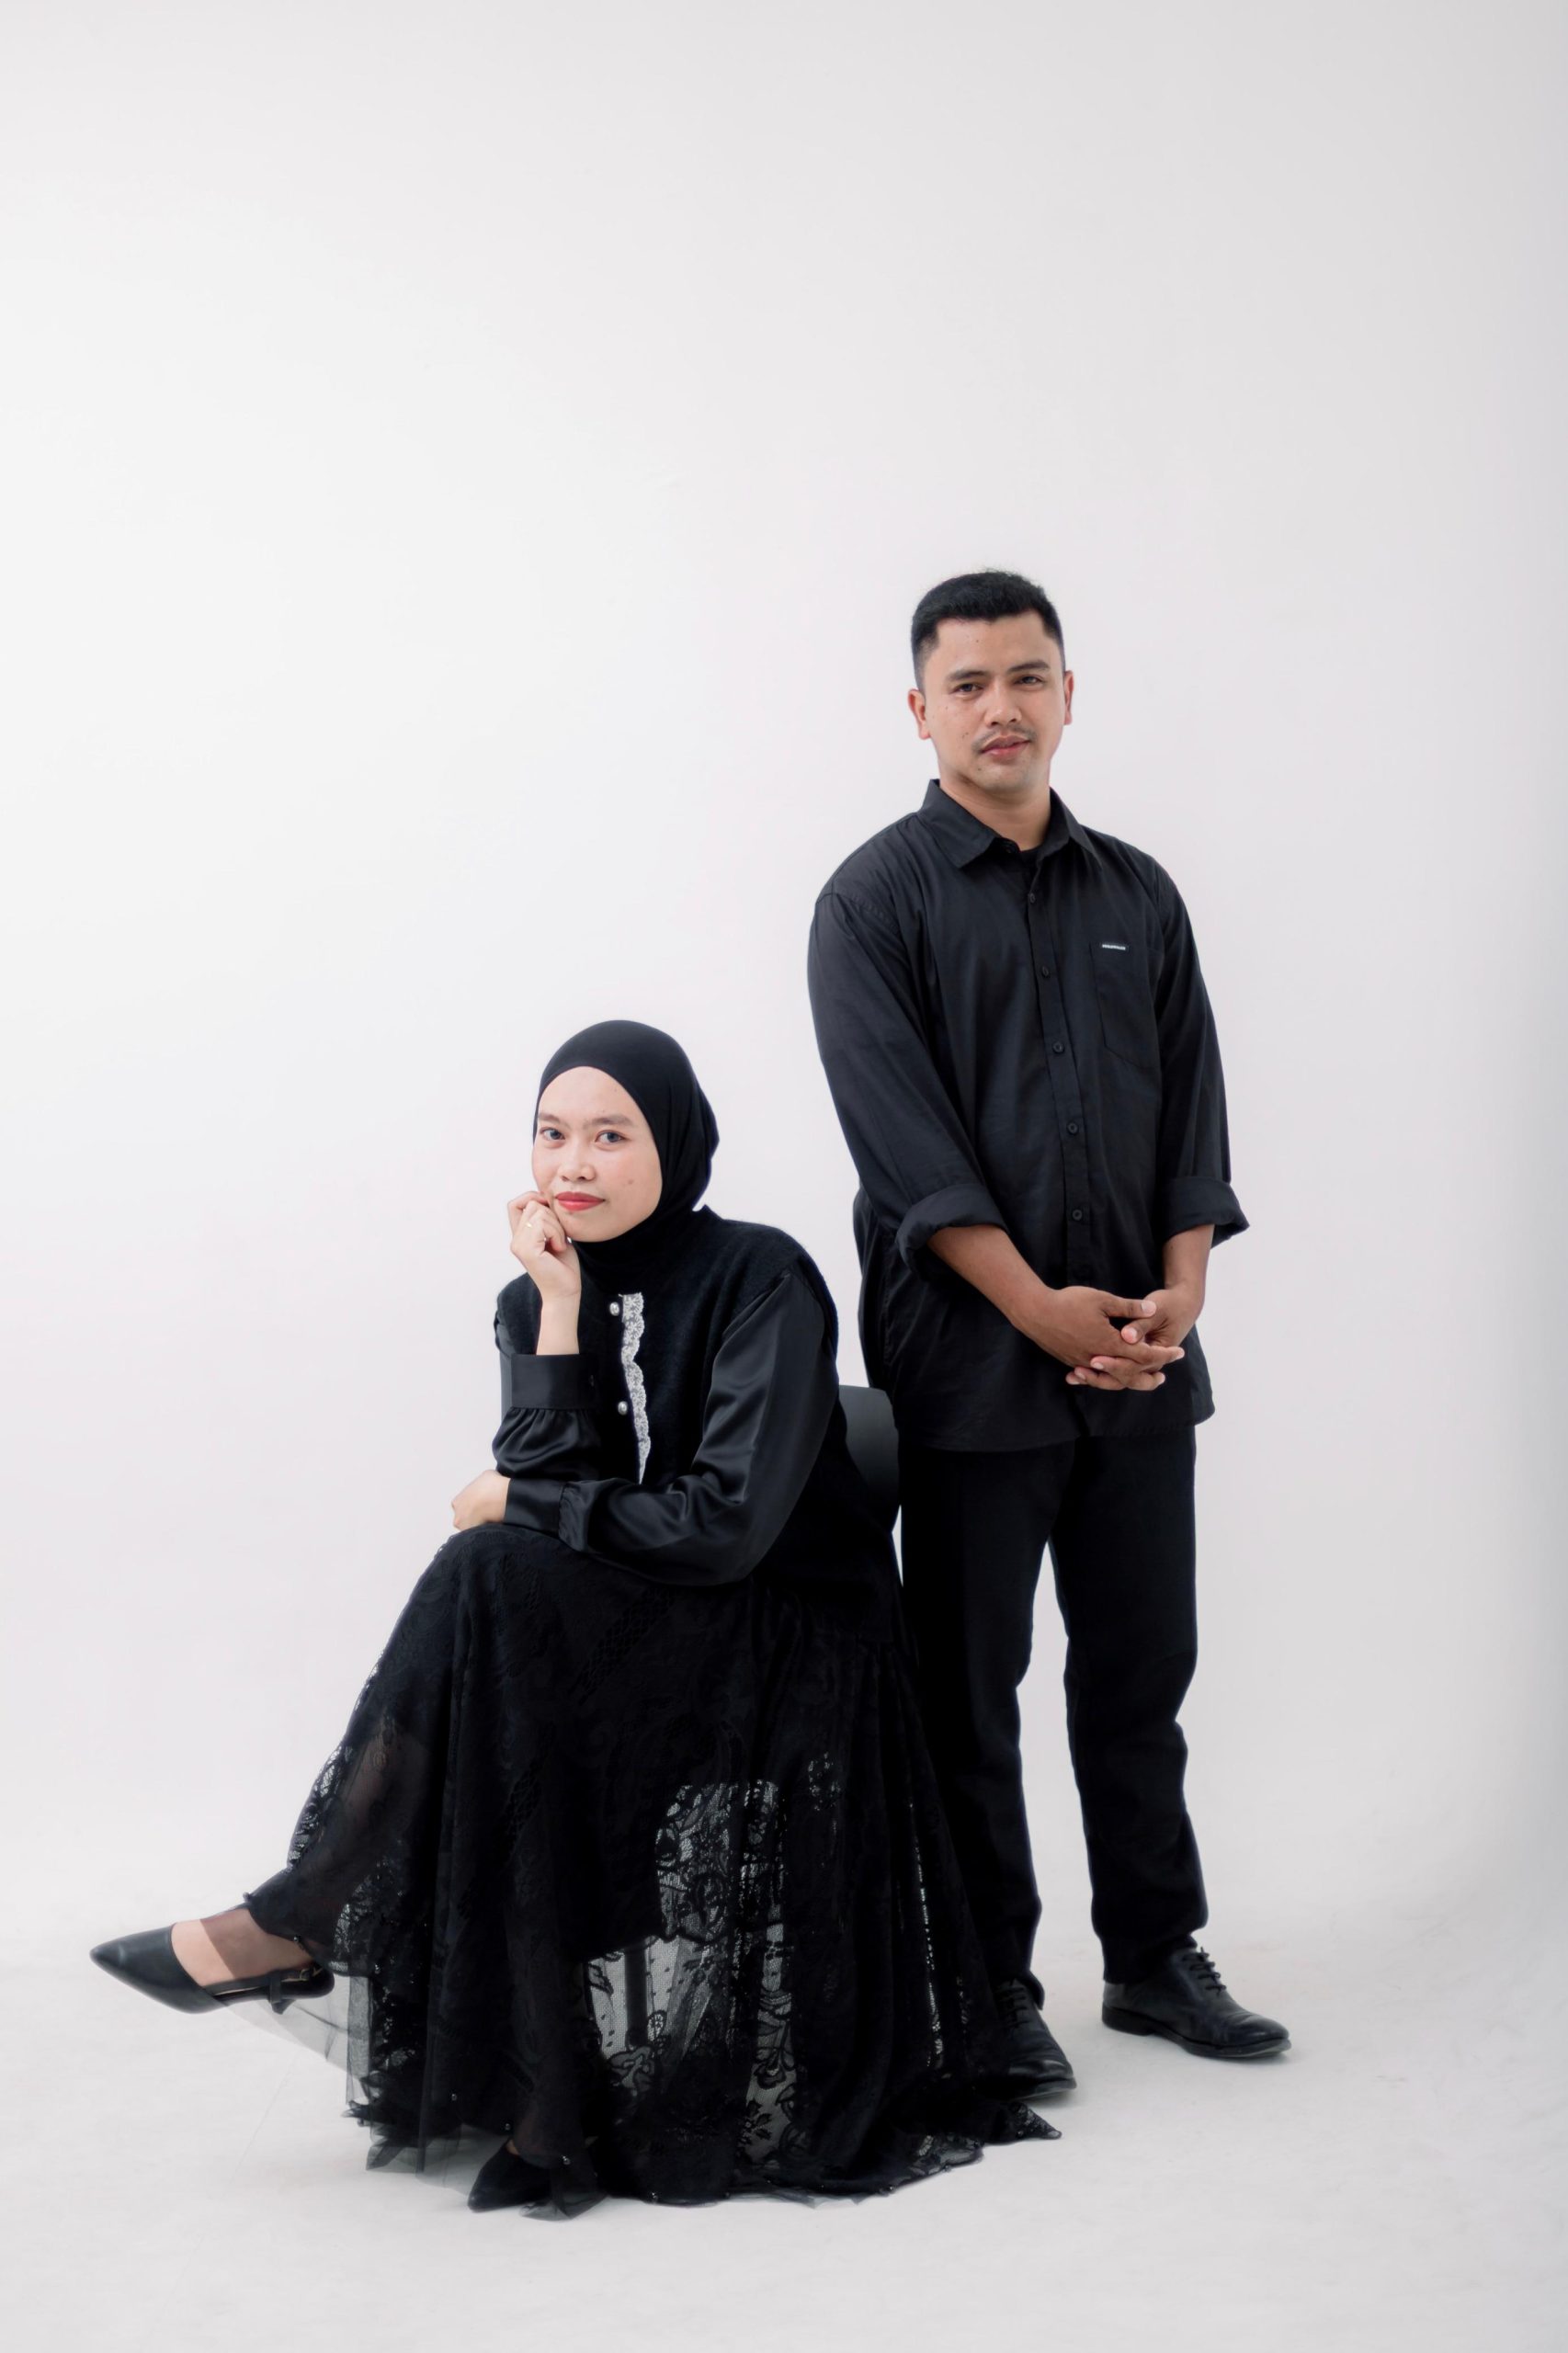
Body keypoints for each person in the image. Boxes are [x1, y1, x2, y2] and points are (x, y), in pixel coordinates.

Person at [90, 1019, 1054, 2215]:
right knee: (500, 1604)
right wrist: (558, 1309)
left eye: (610, 1136)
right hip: (654, 1624)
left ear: (675, 1144)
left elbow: (724, 1527)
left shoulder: (761, 1273)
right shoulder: (530, 1293)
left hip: (797, 1633)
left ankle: (308, 1918)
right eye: (551, 1135)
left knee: (488, 1577)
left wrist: (523, 1500)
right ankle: (527, 2087)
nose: (573, 1165)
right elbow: (554, 1516)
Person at [807, 571, 1289, 2094]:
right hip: (967, 1374)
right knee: (969, 1693)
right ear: (919, 711)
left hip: (1141, 1357)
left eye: (1027, 677)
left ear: (1068, 694)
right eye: (968, 684)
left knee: (1141, 1674)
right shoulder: (870, 903)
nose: (1000, 707)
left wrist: (1182, 1291)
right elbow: (905, 1149)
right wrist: (1034, 1308)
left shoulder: (1137, 896)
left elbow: (1191, 1112)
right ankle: (985, 1987)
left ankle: (1152, 1957)